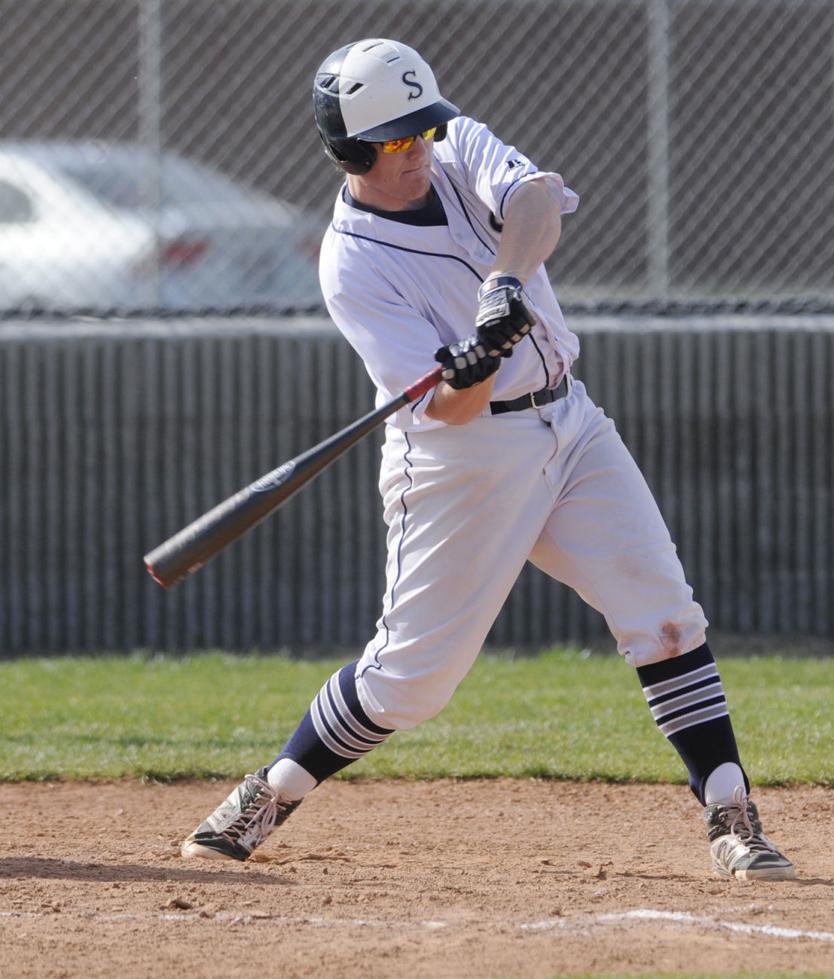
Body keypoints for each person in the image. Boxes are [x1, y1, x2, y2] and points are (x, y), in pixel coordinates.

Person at [180, 37, 795, 881]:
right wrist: (472, 365)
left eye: (421, 131)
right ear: (352, 153)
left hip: (570, 424)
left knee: (663, 613)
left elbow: (538, 198)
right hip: (462, 462)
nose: (419, 152)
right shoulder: (351, 262)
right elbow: (447, 407)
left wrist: (503, 283)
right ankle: (270, 791)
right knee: (408, 684)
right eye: (397, 144)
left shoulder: (451, 144)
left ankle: (730, 810)